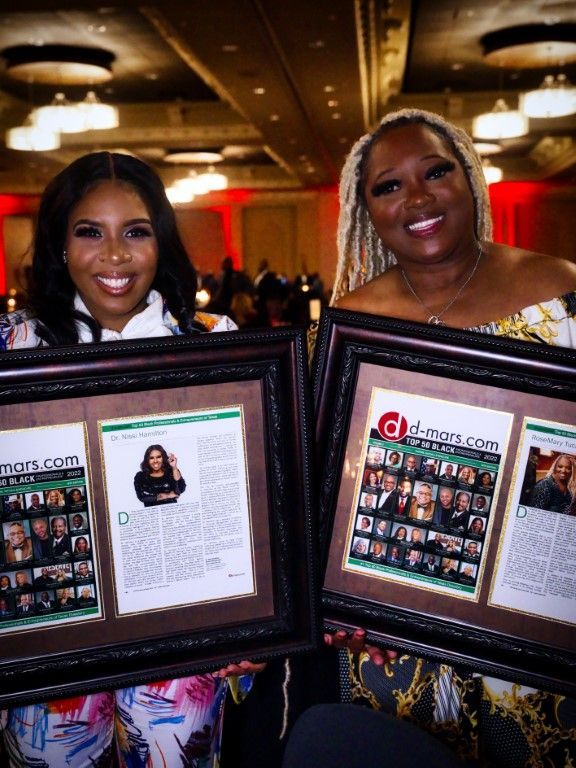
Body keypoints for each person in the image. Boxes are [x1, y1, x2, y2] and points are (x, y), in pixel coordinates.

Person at [326, 107, 576, 766]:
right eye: (389, 186)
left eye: (436, 171)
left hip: (538, 612)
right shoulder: (350, 323)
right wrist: (342, 602)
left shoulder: (559, 291)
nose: (417, 197)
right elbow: (332, 490)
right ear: (368, 210)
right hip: (398, 630)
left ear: (470, 181)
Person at [0, 151, 263, 768]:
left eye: (135, 232)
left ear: (160, 242)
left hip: (181, 649)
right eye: (89, 231)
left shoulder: (216, 344)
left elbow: (261, 495)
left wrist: (261, 620)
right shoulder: (12, 347)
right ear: (60, 244)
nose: (114, 256)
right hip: (51, 641)